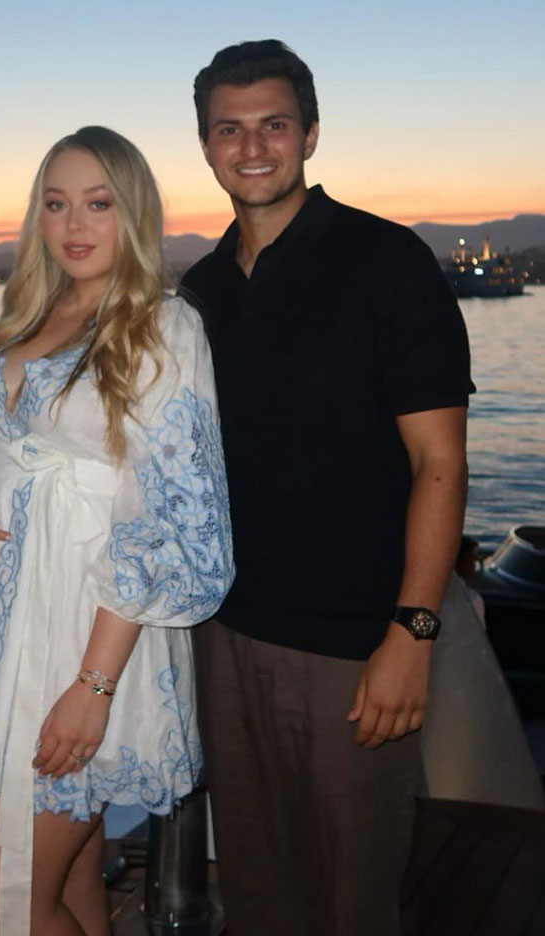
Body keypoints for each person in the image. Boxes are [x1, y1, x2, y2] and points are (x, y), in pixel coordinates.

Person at [179, 40, 475, 936]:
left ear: (310, 133)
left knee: (354, 894)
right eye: (229, 129)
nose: (253, 146)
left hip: (353, 646)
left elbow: (440, 463)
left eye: (273, 124)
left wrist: (411, 633)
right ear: (206, 145)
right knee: (262, 890)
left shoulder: (385, 263)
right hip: (224, 638)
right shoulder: (198, 291)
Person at [0, 126, 233, 936]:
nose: (75, 224)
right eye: (56, 204)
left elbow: (177, 522)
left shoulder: (164, 329)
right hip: (2, 631)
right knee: (72, 877)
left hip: (83, 638)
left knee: (5, 902)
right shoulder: (21, 321)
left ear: (135, 216)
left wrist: (93, 689)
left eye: (98, 204)